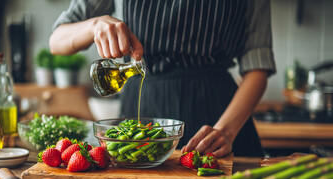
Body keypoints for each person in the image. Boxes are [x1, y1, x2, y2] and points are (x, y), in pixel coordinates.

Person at [49, 0, 276, 158]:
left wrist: (226, 131)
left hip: (221, 116)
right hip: (143, 107)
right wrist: (94, 25)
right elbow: (57, 40)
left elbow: (258, 67)